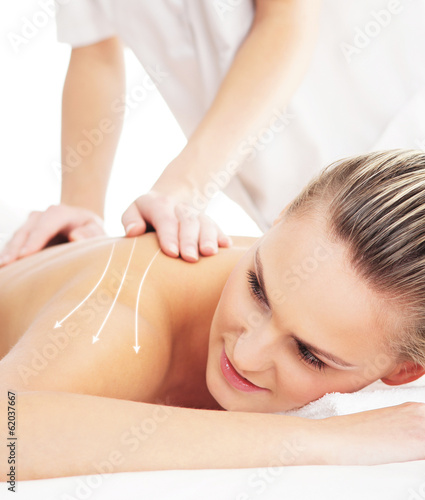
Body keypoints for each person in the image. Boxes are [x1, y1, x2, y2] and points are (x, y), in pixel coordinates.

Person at [0, 149, 424, 481]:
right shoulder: (123, 325)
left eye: (308, 354)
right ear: (277, 220)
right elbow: (7, 435)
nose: (245, 354)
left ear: (405, 371)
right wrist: (326, 439)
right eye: (257, 289)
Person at [3, 0, 424, 266]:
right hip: (287, 199)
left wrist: (180, 191)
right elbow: (95, 49)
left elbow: (285, 19)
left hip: (397, 141)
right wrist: (80, 220)